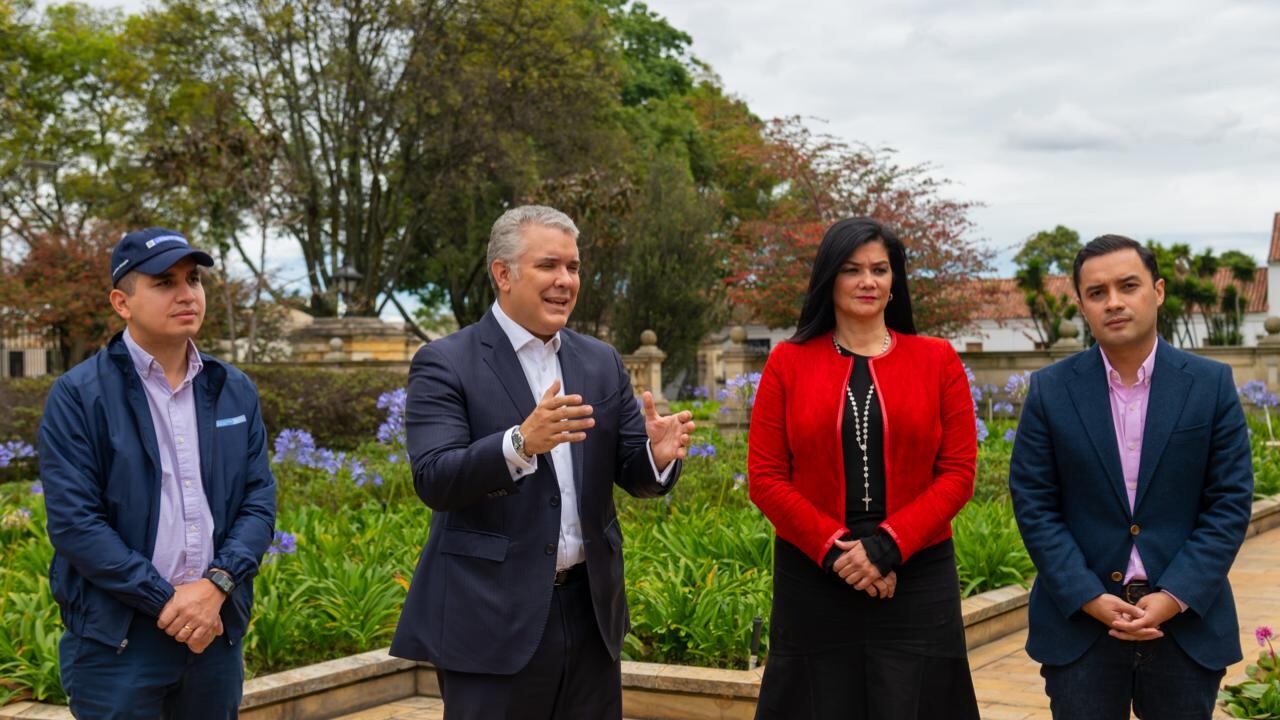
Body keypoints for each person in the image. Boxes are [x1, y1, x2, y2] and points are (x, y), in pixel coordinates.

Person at [389, 205, 696, 719]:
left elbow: (632, 473)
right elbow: (435, 478)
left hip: (591, 613)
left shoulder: (600, 361)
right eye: (549, 266)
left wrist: (656, 458)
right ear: (503, 274)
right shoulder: (446, 362)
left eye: (573, 268)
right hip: (490, 622)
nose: (565, 281)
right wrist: (519, 444)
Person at [1009, 234, 1255, 719]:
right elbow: (1035, 503)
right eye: (1097, 293)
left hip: (1184, 626)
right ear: (1081, 305)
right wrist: (1087, 596)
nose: (1114, 302)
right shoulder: (1050, 391)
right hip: (1081, 628)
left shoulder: (1210, 384)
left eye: (1128, 286)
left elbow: (1228, 502)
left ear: (1157, 291)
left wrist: (1174, 596)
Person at [38, 227, 277, 719]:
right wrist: (165, 600)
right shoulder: (79, 395)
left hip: (213, 632)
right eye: (164, 282)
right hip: (119, 643)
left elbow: (258, 501)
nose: (187, 293)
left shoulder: (233, 390)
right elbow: (75, 524)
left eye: (193, 279)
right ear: (122, 303)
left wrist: (217, 585)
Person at [747, 217, 981, 719]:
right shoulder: (787, 362)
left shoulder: (937, 359)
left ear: (895, 280)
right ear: (829, 278)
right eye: (852, 269)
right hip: (814, 575)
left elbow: (959, 472)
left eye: (880, 269)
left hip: (917, 574)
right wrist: (837, 552)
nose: (867, 281)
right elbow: (765, 478)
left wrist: (888, 547)